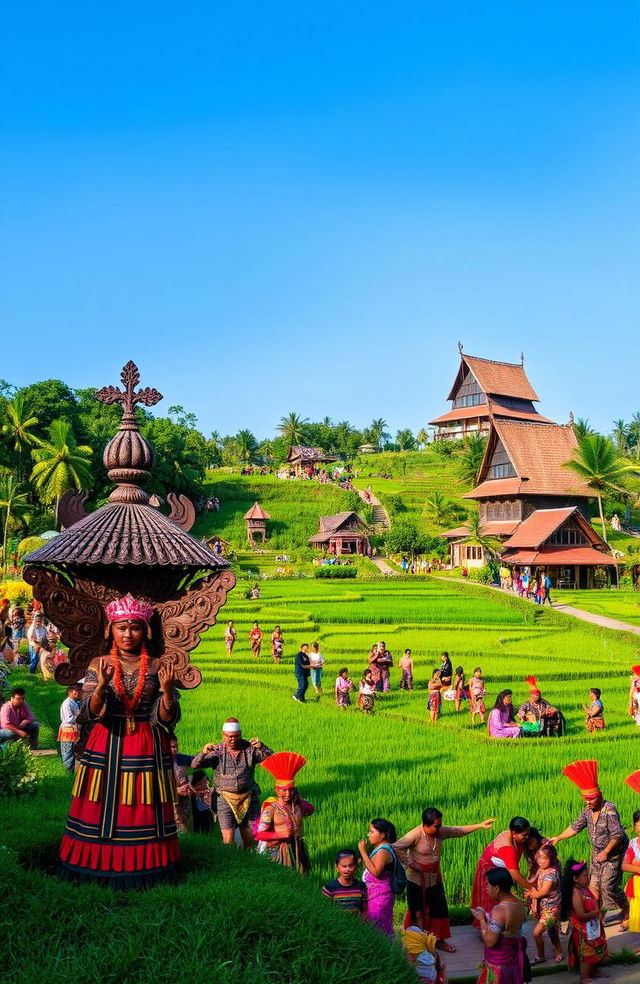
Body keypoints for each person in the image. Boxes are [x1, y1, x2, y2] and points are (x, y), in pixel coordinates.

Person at [59, 594, 180, 886]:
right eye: (121, 627)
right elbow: (87, 714)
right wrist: (100, 686)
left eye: (135, 628)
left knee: (142, 804)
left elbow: (167, 719)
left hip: (146, 743)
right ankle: (95, 862)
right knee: (100, 801)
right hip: (105, 741)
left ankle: (150, 866)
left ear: (146, 631)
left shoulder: (156, 665)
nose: (128, 634)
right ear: (110, 630)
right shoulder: (98, 663)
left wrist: (165, 691)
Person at [394, 808, 496, 951]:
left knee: (439, 909)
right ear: (426, 825)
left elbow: (458, 831)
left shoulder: (440, 831)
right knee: (417, 910)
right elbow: (396, 847)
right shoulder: (415, 834)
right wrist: (411, 863)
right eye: (436, 826)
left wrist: (479, 825)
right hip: (416, 879)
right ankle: (417, 943)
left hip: (435, 877)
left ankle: (439, 941)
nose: (439, 828)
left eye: (440, 825)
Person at [550, 759, 630, 927]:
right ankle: (598, 917)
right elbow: (576, 826)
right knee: (593, 887)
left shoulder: (609, 810)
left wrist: (606, 852)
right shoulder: (587, 811)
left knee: (608, 886)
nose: (588, 802)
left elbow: (617, 834)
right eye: (585, 799)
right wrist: (559, 837)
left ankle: (627, 909)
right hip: (597, 853)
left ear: (599, 795)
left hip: (613, 853)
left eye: (591, 799)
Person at [191, 717, 273, 845]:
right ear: (223, 735)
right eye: (229, 736)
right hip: (224, 798)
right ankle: (230, 861)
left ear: (240, 734)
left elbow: (272, 759)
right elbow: (195, 765)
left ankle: (248, 861)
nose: (233, 739)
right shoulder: (217, 751)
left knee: (251, 837)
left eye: (236, 736)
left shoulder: (250, 749)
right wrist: (203, 753)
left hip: (248, 797)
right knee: (228, 839)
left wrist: (262, 746)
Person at [255, 751, 314, 873]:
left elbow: (311, 809)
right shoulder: (270, 810)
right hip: (278, 850)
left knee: (302, 879)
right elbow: (259, 835)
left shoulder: (298, 805)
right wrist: (278, 835)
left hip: (298, 847)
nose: (287, 794)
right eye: (283, 790)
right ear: (277, 790)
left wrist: (299, 798)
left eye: (290, 790)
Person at [470, 868, 529, 984]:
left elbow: (490, 942)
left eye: (488, 885)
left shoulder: (499, 910)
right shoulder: (518, 903)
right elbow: (506, 926)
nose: (486, 888)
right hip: (512, 962)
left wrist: (482, 920)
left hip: (499, 965)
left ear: (497, 888)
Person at [471, 818, 533, 922]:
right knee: (494, 901)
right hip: (490, 872)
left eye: (528, 833)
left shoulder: (518, 836)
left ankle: (502, 924)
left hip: (502, 870)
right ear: (514, 833)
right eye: (524, 835)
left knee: (505, 899)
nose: (527, 837)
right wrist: (531, 888)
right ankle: (491, 929)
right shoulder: (507, 848)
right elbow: (514, 873)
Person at [561, 859, 608, 982]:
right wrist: (596, 913)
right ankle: (584, 977)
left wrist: (597, 911)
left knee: (597, 951)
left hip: (593, 928)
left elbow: (594, 901)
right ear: (575, 879)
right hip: (584, 931)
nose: (588, 878)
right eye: (585, 876)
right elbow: (581, 915)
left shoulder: (584, 888)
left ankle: (594, 970)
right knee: (587, 955)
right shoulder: (575, 893)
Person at [358, 818, 398, 935]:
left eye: (371, 832)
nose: (368, 835)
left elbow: (376, 872)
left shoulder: (383, 851)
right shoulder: (381, 849)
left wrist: (363, 852)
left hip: (380, 898)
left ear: (382, 835)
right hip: (375, 896)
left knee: (379, 930)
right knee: (377, 928)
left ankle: (386, 952)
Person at [525, 843, 562, 965]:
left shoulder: (551, 874)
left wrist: (533, 893)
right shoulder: (542, 869)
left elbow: (542, 892)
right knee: (552, 931)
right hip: (543, 907)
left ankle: (543, 955)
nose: (541, 861)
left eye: (544, 858)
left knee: (537, 933)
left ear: (551, 859)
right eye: (539, 858)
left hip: (552, 909)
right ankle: (557, 950)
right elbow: (533, 881)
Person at [322, 849, 368, 918]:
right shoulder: (329, 888)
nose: (347, 869)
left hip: (355, 926)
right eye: (344, 866)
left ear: (356, 867)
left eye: (351, 866)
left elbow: (365, 911)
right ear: (336, 867)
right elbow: (325, 911)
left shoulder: (362, 887)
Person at [622, 770, 640, 940]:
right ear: (634, 827)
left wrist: (636, 864)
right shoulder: (633, 843)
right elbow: (624, 865)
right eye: (638, 825)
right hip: (638, 883)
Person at [58, 683, 82, 771]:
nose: (79, 693)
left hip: (74, 731)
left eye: (80, 691)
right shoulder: (67, 703)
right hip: (67, 731)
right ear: (70, 692)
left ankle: (71, 771)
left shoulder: (76, 702)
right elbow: (69, 719)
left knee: (73, 751)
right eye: (77, 691)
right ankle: (67, 771)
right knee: (68, 753)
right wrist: (80, 717)